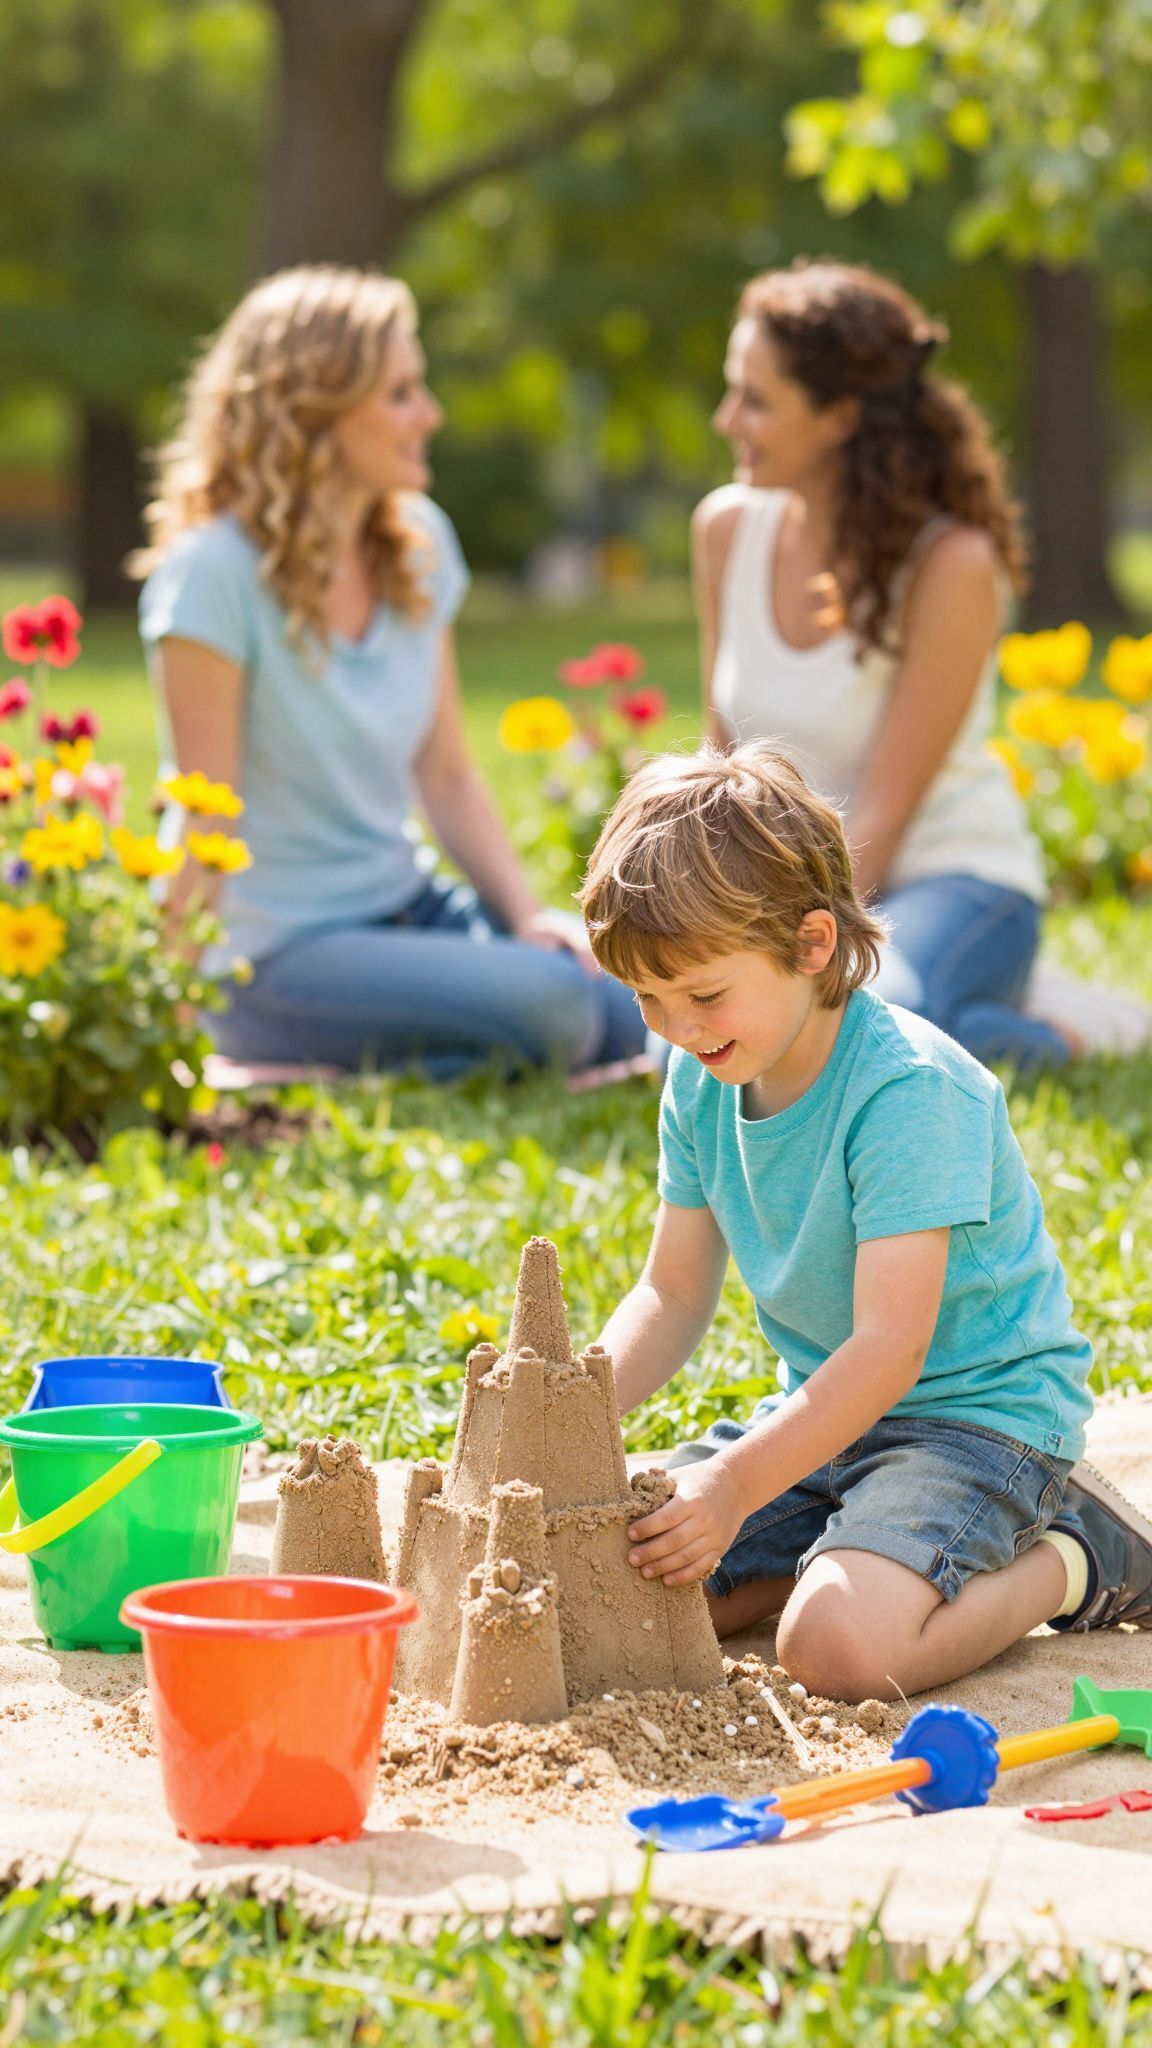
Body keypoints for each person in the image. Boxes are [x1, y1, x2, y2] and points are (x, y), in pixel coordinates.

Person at [578, 742, 1152, 1701]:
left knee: (837, 1651)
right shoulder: (701, 1072)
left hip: (978, 1422)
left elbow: (891, 1349)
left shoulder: (908, 1094)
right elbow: (671, 1292)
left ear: (811, 946)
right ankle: (832, 1545)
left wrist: (731, 1486)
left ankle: (1075, 1554)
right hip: (828, 1413)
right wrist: (572, 1402)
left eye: (704, 993)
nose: (676, 1028)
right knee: (618, 1589)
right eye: (648, 999)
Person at [133, 264, 643, 1080]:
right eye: (402, 392)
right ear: (316, 412)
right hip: (275, 956)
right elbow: (203, 813)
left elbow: (443, 771)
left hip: (405, 906)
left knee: (631, 1008)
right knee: (557, 1012)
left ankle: (413, 1051)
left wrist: (524, 915)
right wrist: (165, 1019)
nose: (430, 414)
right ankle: (314, 1056)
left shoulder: (419, 541)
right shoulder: (212, 575)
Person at [693, 258, 1070, 1070]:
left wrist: (764, 953)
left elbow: (884, 818)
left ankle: (1059, 1036)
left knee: (851, 1031)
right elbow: (720, 763)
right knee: (711, 1037)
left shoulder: (950, 564)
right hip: (801, 904)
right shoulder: (725, 530)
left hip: (957, 881)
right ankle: (983, 1019)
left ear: (840, 418)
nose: (728, 418)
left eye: (757, 400)